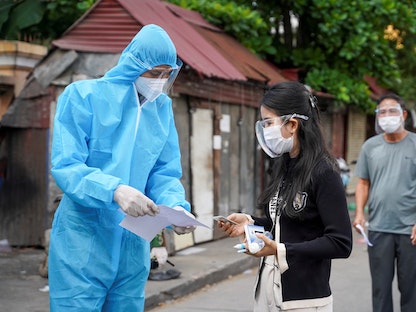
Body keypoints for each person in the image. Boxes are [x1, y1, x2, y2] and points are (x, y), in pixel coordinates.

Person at [49, 24, 195, 312]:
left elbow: (164, 173)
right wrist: (113, 190)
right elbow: (66, 165)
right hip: (83, 241)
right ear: (133, 64)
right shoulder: (82, 97)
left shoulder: (161, 109)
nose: (160, 81)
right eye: (154, 73)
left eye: (167, 74)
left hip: (132, 245)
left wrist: (176, 207)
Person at [218, 81, 352, 311]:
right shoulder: (285, 165)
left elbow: (341, 242)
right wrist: (250, 222)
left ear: (292, 124)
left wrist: (281, 250)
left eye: (268, 122)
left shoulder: (324, 172)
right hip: (269, 291)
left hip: (305, 301)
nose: (265, 130)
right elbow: (286, 222)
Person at [353, 93, 416, 312]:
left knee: (412, 290)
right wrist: (359, 212)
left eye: (392, 111)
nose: (386, 115)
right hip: (379, 229)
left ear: (404, 114)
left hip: (411, 230)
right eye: (382, 112)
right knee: (380, 290)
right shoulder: (370, 147)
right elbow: (362, 183)